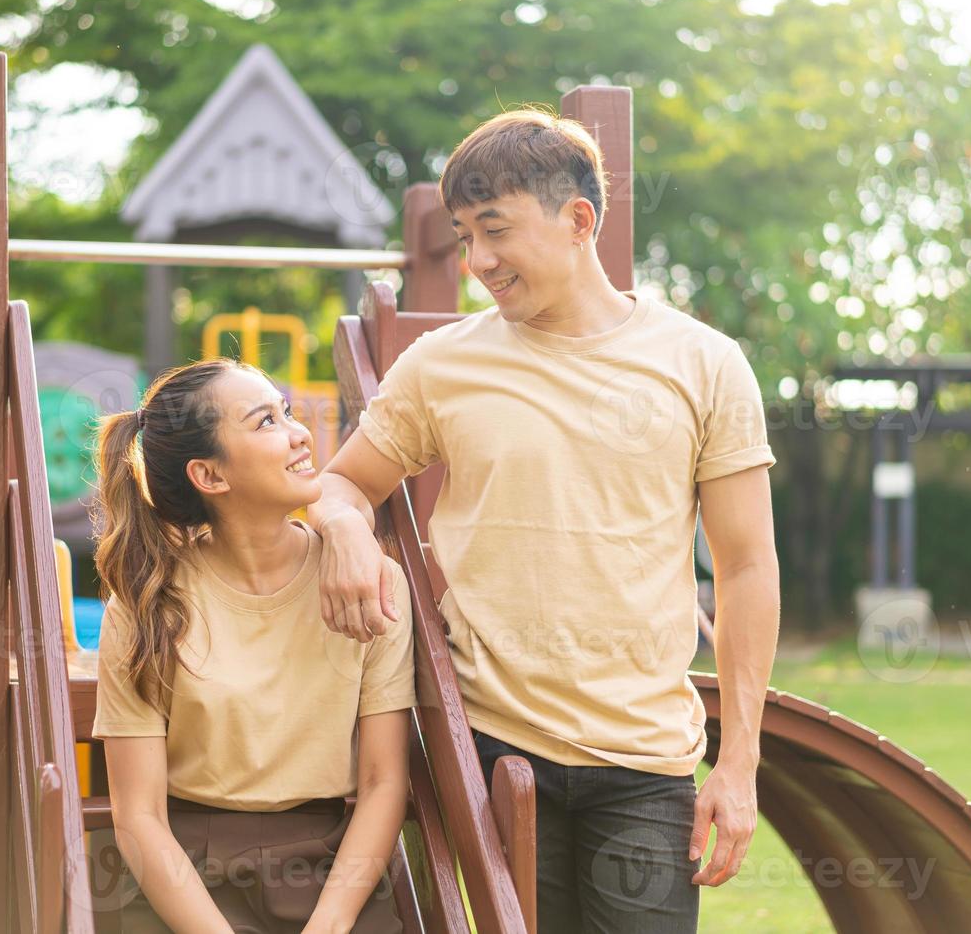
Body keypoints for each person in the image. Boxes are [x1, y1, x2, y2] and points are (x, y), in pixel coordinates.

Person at [308, 109, 781, 933]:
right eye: (463, 237)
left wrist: (738, 766)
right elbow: (340, 486)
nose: (478, 260)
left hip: (646, 765)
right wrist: (348, 530)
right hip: (487, 748)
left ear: (578, 220)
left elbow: (745, 568)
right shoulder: (443, 363)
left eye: (494, 231)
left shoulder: (704, 362)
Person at [90, 358, 415, 934]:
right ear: (210, 476)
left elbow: (383, 782)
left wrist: (333, 923)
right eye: (266, 422)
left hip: (330, 872)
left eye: (286, 412)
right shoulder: (146, 605)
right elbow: (138, 817)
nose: (300, 434)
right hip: (179, 879)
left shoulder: (372, 581)